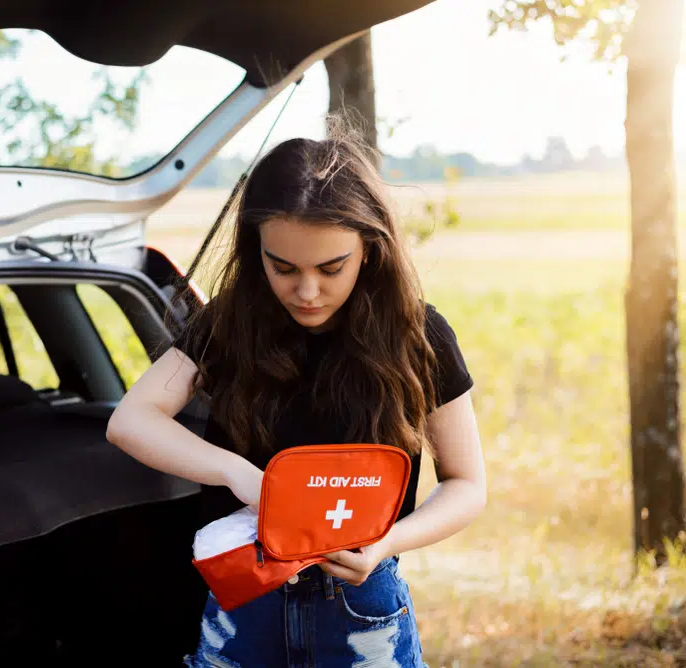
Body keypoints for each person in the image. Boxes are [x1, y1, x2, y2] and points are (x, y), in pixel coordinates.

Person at [105, 116, 486, 668]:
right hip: (244, 600)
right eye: (282, 267)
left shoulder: (417, 335)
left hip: (361, 610)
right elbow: (131, 420)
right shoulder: (229, 325)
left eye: (331, 268)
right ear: (255, 248)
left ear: (370, 248)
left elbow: (467, 485)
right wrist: (238, 473)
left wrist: (385, 545)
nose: (306, 292)